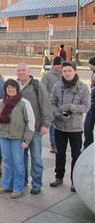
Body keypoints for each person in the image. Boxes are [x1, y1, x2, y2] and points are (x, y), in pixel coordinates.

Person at [49, 62, 90, 192]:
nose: (66, 73)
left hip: (75, 128)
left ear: (75, 71)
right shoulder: (57, 85)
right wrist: (58, 114)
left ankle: (74, 181)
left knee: (76, 154)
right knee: (60, 153)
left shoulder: (83, 87)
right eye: (64, 71)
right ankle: (59, 177)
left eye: (69, 71)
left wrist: (74, 108)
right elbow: (52, 103)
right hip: (60, 126)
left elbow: (87, 107)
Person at [0, 79, 35, 199]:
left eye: (13, 88)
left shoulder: (23, 103)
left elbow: (30, 122)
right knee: (7, 162)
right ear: (5, 89)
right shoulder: (1, 102)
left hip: (17, 138)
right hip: (4, 136)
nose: (10, 90)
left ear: (17, 89)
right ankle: (7, 185)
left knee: (18, 163)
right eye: (8, 88)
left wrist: (27, 140)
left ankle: (18, 188)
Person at [16, 62, 53, 195]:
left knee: (36, 158)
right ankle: (23, 180)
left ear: (29, 71)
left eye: (23, 70)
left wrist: (46, 124)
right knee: (21, 157)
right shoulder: (15, 85)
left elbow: (46, 105)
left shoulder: (37, 86)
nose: (21, 72)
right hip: (19, 130)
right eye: (19, 70)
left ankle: (36, 183)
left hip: (35, 129)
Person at [41, 56, 63, 153]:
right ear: (53, 65)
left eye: (60, 67)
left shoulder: (63, 74)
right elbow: (43, 90)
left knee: (61, 124)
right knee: (53, 125)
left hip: (63, 104)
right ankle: (54, 145)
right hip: (52, 104)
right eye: (57, 67)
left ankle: (60, 144)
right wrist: (52, 97)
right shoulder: (47, 76)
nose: (59, 69)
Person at [83, 56, 95, 149]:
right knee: (87, 126)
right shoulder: (93, 73)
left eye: (90, 65)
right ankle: (88, 145)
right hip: (92, 104)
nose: (89, 66)